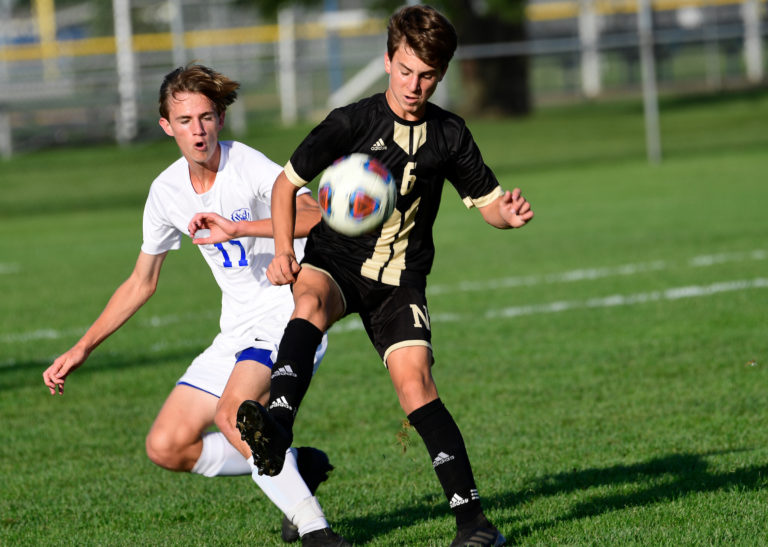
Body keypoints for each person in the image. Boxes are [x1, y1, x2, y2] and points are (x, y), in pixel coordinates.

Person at [235, 5, 534, 547]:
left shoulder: (450, 134)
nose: (413, 85)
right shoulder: (352, 121)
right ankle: (276, 425)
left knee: (415, 383)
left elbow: (486, 202)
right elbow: (285, 185)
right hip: (337, 261)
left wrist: (505, 215)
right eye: (404, 70)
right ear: (389, 60)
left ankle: (475, 525)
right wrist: (283, 250)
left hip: (401, 278)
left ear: (439, 75)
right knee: (310, 305)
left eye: (426, 75)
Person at [42, 64, 349, 547]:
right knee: (167, 445)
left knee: (234, 417)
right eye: (185, 121)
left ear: (220, 119)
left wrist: (241, 226)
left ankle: (317, 532)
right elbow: (141, 282)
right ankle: (297, 465)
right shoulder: (166, 192)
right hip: (236, 331)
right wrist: (82, 348)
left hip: (288, 316)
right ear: (167, 126)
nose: (198, 130)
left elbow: (313, 213)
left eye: (206, 117)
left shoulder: (245, 164)